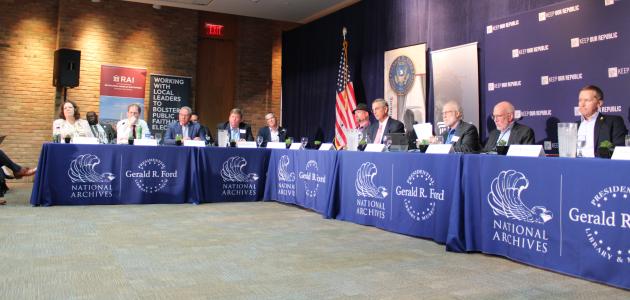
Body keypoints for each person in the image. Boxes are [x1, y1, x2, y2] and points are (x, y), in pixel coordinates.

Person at [577, 85, 628, 157]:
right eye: (580, 100)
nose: (582, 104)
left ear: (599, 103)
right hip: (575, 165)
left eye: (587, 100)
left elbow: (620, 149)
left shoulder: (612, 122)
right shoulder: (575, 126)